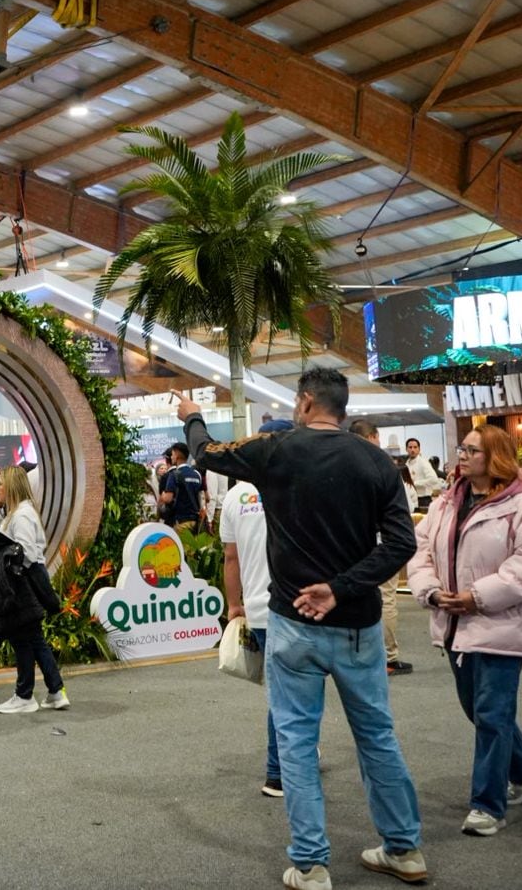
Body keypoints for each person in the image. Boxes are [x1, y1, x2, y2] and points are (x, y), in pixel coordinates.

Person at [179, 370, 426, 889]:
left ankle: (311, 865)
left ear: (307, 401)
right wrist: (341, 588)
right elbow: (402, 544)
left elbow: (205, 453)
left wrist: (192, 416)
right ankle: (403, 849)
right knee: (377, 737)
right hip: (358, 626)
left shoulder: (277, 450)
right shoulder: (375, 461)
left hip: (293, 624)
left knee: (295, 743)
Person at [409, 424, 522, 836]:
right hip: (455, 623)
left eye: (473, 450)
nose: (463, 454)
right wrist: (431, 591)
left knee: (491, 712)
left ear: (496, 457)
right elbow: (420, 551)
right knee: (476, 708)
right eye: (463, 448)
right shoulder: (445, 503)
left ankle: (487, 806)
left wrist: (477, 596)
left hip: (504, 624)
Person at [220, 421, 295, 798]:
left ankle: (295, 754)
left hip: (257, 607)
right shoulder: (297, 484)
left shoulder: (236, 496)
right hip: (297, 606)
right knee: (291, 693)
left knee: (284, 691)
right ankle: (278, 772)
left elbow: (230, 558)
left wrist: (234, 605)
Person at [0, 466, 67, 714]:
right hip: (25, 581)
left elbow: (27, 553)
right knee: (32, 639)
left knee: (24, 639)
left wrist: (4, 557)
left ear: (11, 486)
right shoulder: (21, 512)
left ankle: (26, 695)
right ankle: (54, 692)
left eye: (0, 483)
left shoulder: (21, 515)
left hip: (22, 584)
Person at [350, 420, 412, 677]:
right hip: (382, 546)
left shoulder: (345, 466)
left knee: (355, 595)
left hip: (353, 546)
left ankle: (359, 654)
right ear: (374, 436)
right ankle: (389, 656)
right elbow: (402, 514)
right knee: (386, 598)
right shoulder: (383, 466)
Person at [159, 443, 205, 531]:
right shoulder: (196, 474)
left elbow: (168, 499)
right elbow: (202, 496)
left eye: (172, 454)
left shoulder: (174, 475)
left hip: (180, 521)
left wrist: (163, 495)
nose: (171, 457)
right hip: (195, 520)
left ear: (176, 456)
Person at [404, 438, 444, 511]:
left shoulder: (423, 462)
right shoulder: (407, 464)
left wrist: (414, 483)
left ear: (419, 449)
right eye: (410, 447)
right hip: (412, 498)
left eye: (415, 447)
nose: (412, 450)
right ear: (406, 449)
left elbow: (433, 479)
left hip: (423, 499)